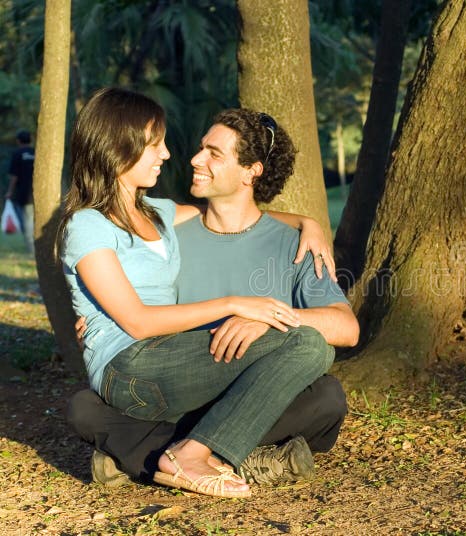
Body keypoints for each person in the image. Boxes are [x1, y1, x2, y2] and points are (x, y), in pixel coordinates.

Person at [59, 88, 356, 498]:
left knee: (324, 393)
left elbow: (227, 210)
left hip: (189, 371)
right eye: (155, 145)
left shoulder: (159, 215)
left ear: (251, 170)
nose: (173, 155)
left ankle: (158, 455)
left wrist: (308, 222)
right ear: (118, 146)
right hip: (142, 365)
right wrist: (238, 305)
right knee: (84, 409)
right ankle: (222, 454)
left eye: (213, 153)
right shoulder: (91, 225)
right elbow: (136, 319)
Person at [5, 129, 35, 253]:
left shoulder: (17, 154)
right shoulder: (36, 152)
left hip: (24, 194)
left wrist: (10, 191)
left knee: (27, 220)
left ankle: (32, 249)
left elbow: (14, 176)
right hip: (37, 194)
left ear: (18, 141)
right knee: (33, 219)